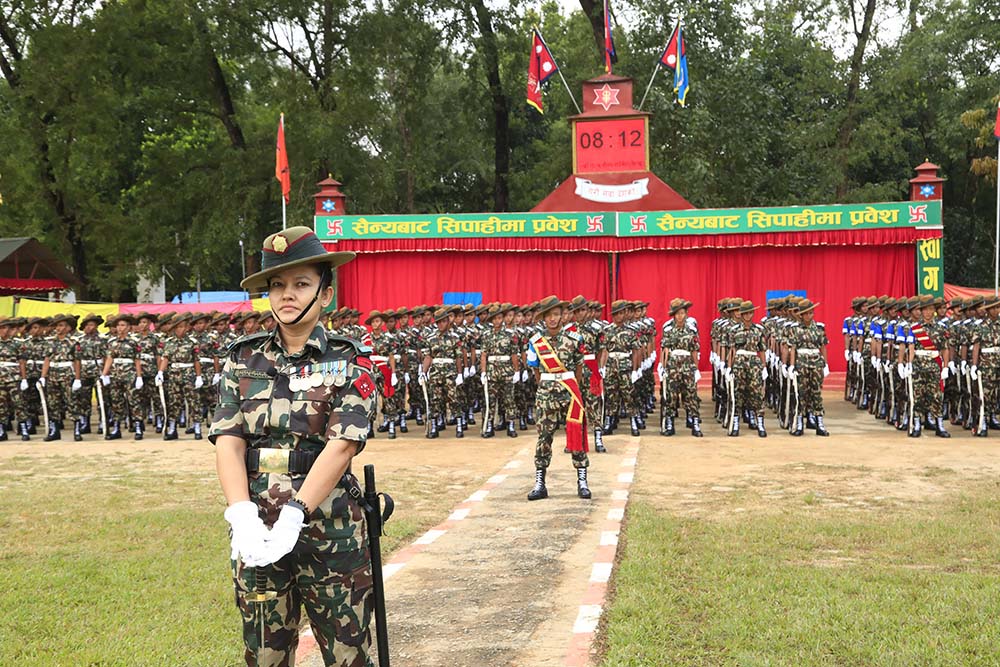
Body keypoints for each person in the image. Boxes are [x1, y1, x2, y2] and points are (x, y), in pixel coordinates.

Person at [210, 226, 376, 667]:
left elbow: (342, 445)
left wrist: (296, 513)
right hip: (259, 534)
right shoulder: (242, 360)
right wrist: (241, 513)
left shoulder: (348, 361)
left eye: (301, 284)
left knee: (348, 656)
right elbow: (228, 439)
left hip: (330, 534)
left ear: (326, 294)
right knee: (264, 656)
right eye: (277, 285)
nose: (287, 294)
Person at [525, 295, 592, 501]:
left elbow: (580, 368)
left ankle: (582, 482)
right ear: (543, 318)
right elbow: (535, 371)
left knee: (576, 438)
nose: (553, 319)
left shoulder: (575, 339)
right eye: (549, 316)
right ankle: (540, 484)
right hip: (546, 396)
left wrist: (573, 389)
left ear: (562, 316)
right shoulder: (535, 342)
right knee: (544, 438)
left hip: (569, 394)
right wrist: (547, 386)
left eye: (556, 314)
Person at [659, 298, 702, 437]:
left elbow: (694, 351)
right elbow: (664, 349)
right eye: (677, 313)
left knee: (691, 394)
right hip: (672, 366)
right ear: (673, 315)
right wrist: (663, 366)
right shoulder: (668, 330)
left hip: (687, 365)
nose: (680, 316)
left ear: (686, 314)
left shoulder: (691, 330)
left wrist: (696, 369)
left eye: (682, 313)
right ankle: (670, 423)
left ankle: (695, 423)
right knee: (671, 395)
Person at [100, 313, 145, 440]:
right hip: (115, 374)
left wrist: (139, 376)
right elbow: (109, 358)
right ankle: (117, 427)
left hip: (129, 373)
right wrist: (105, 374)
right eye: (118, 325)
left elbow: (137, 360)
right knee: (116, 401)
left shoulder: (133, 342)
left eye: (123, 325)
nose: (120, 328)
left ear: (129, 327)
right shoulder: (111, 342)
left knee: (134, 400)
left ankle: (137, 426)